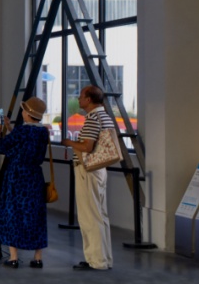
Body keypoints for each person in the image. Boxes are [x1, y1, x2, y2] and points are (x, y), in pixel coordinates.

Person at [0, 96, 50, 268]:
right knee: (36, 214)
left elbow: (3, 146)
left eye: (24, 110)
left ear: (28, 113)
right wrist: (10, 128)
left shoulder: (21, 131)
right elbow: (24, 144)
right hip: (35, 175)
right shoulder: (43, 132)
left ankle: (13, 257)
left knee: (13, 212)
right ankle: (38, 257)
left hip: (17, 176)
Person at [65, 85, 116, 271]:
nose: (78, 99)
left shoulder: (92, 118)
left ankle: (96, 261)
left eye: (81, 96)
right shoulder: (105, 116)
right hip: (100, 169)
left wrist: (68, 142)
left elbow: (87, 147)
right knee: (100, 215)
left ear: (88, 100)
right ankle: (104, 259)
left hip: (88, 170)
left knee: (89, 216)